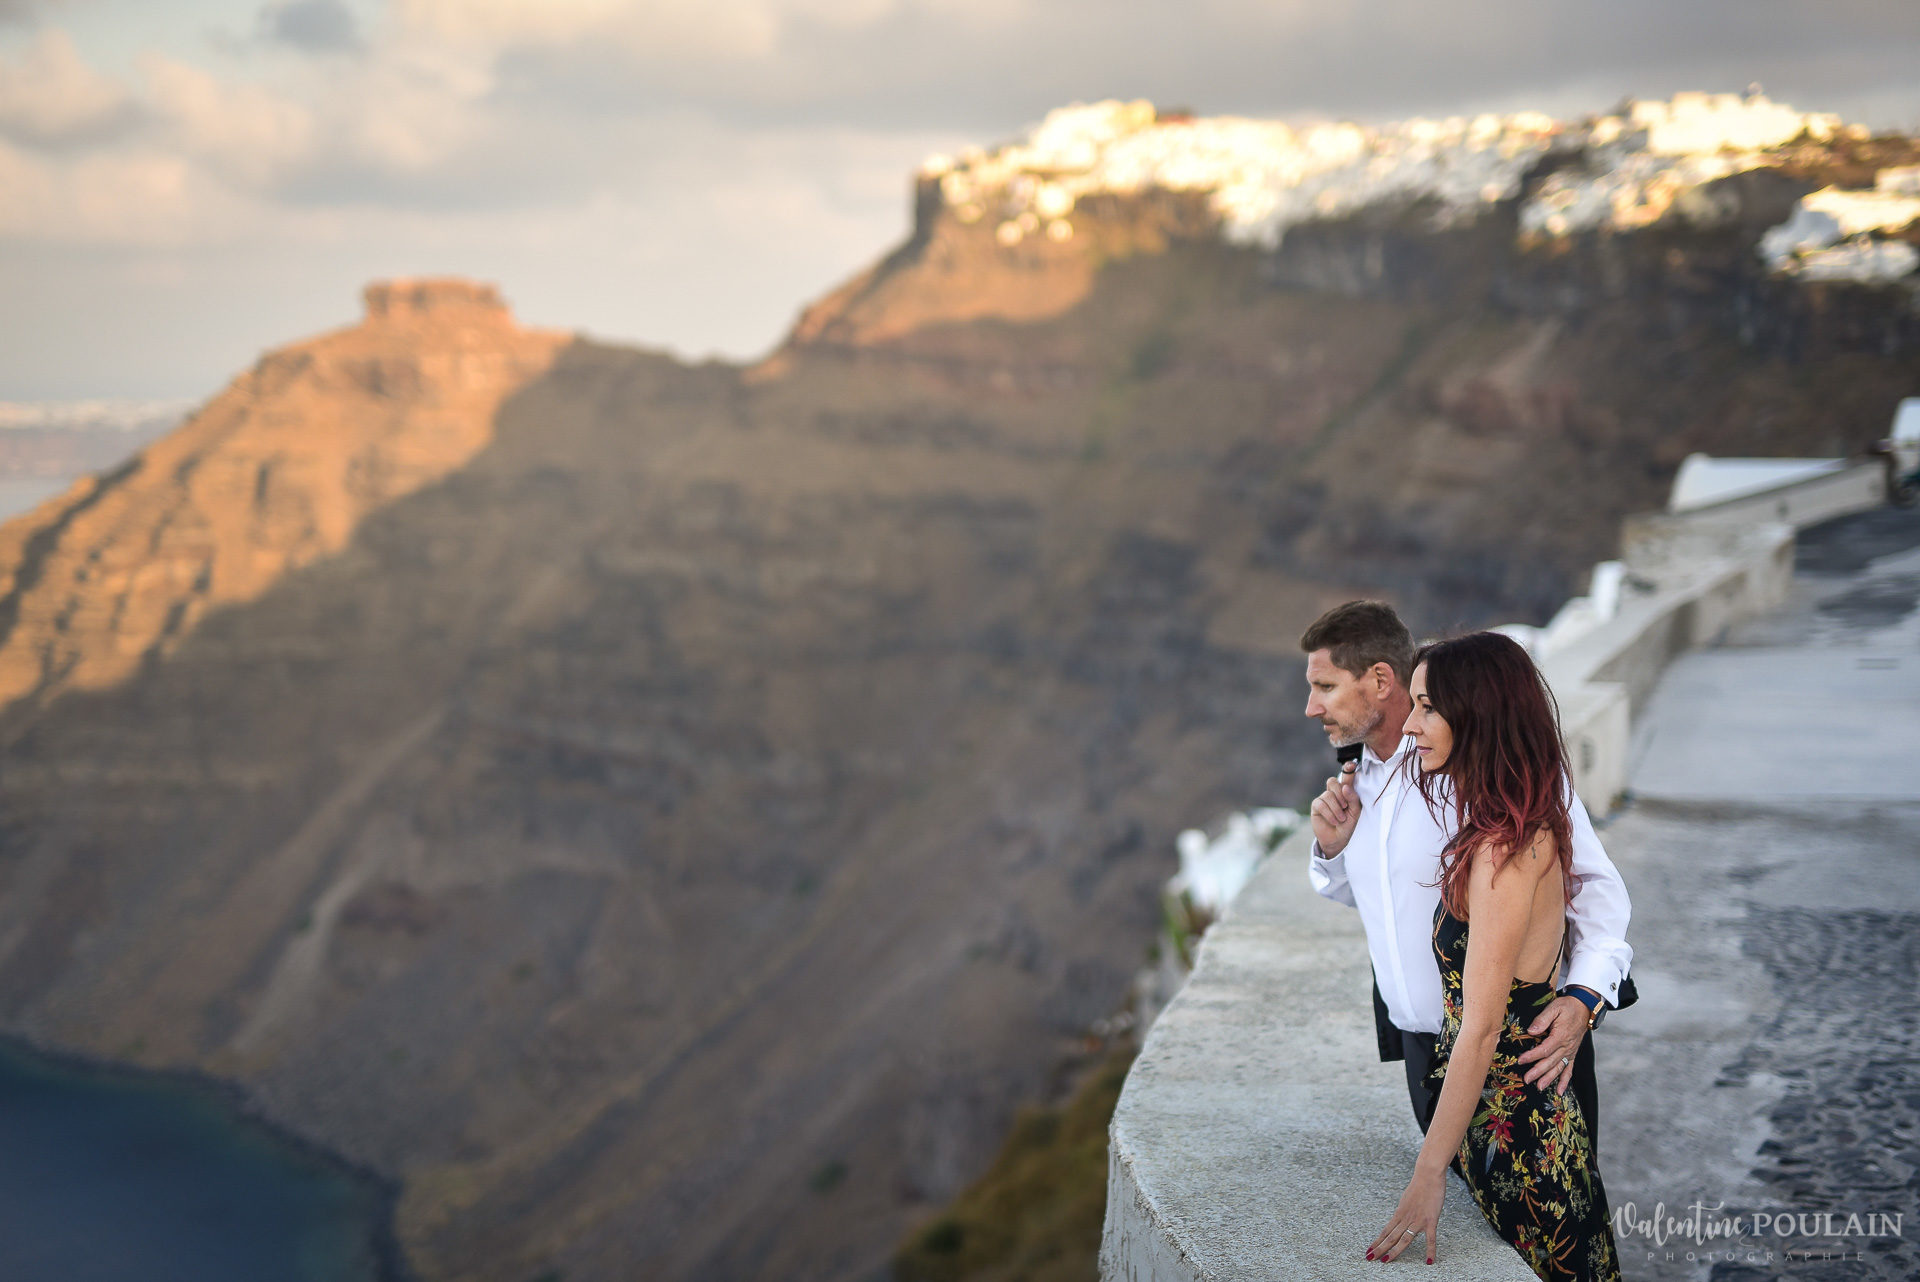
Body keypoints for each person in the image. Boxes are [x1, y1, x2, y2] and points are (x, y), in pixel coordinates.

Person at [1300, 601, 1632, 1141]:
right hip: (1418, 1052)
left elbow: (1591, 884)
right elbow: (1389, 900)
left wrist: (1585, 997)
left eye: (1325, 687)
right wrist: (1333, 850)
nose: (1312, 708)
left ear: (1381, 679)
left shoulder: (1485, 764)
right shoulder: (1355, 781)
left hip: (1514, 1055)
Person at [1363, 632, 1621, 1279]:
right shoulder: (1507, 825)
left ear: (1474, 713)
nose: (1411, 724)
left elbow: (1479, 1028)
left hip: (1520, 1135)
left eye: (1427, 707)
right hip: (1497, 1121)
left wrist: (1427, 1175)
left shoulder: (1506, 848)